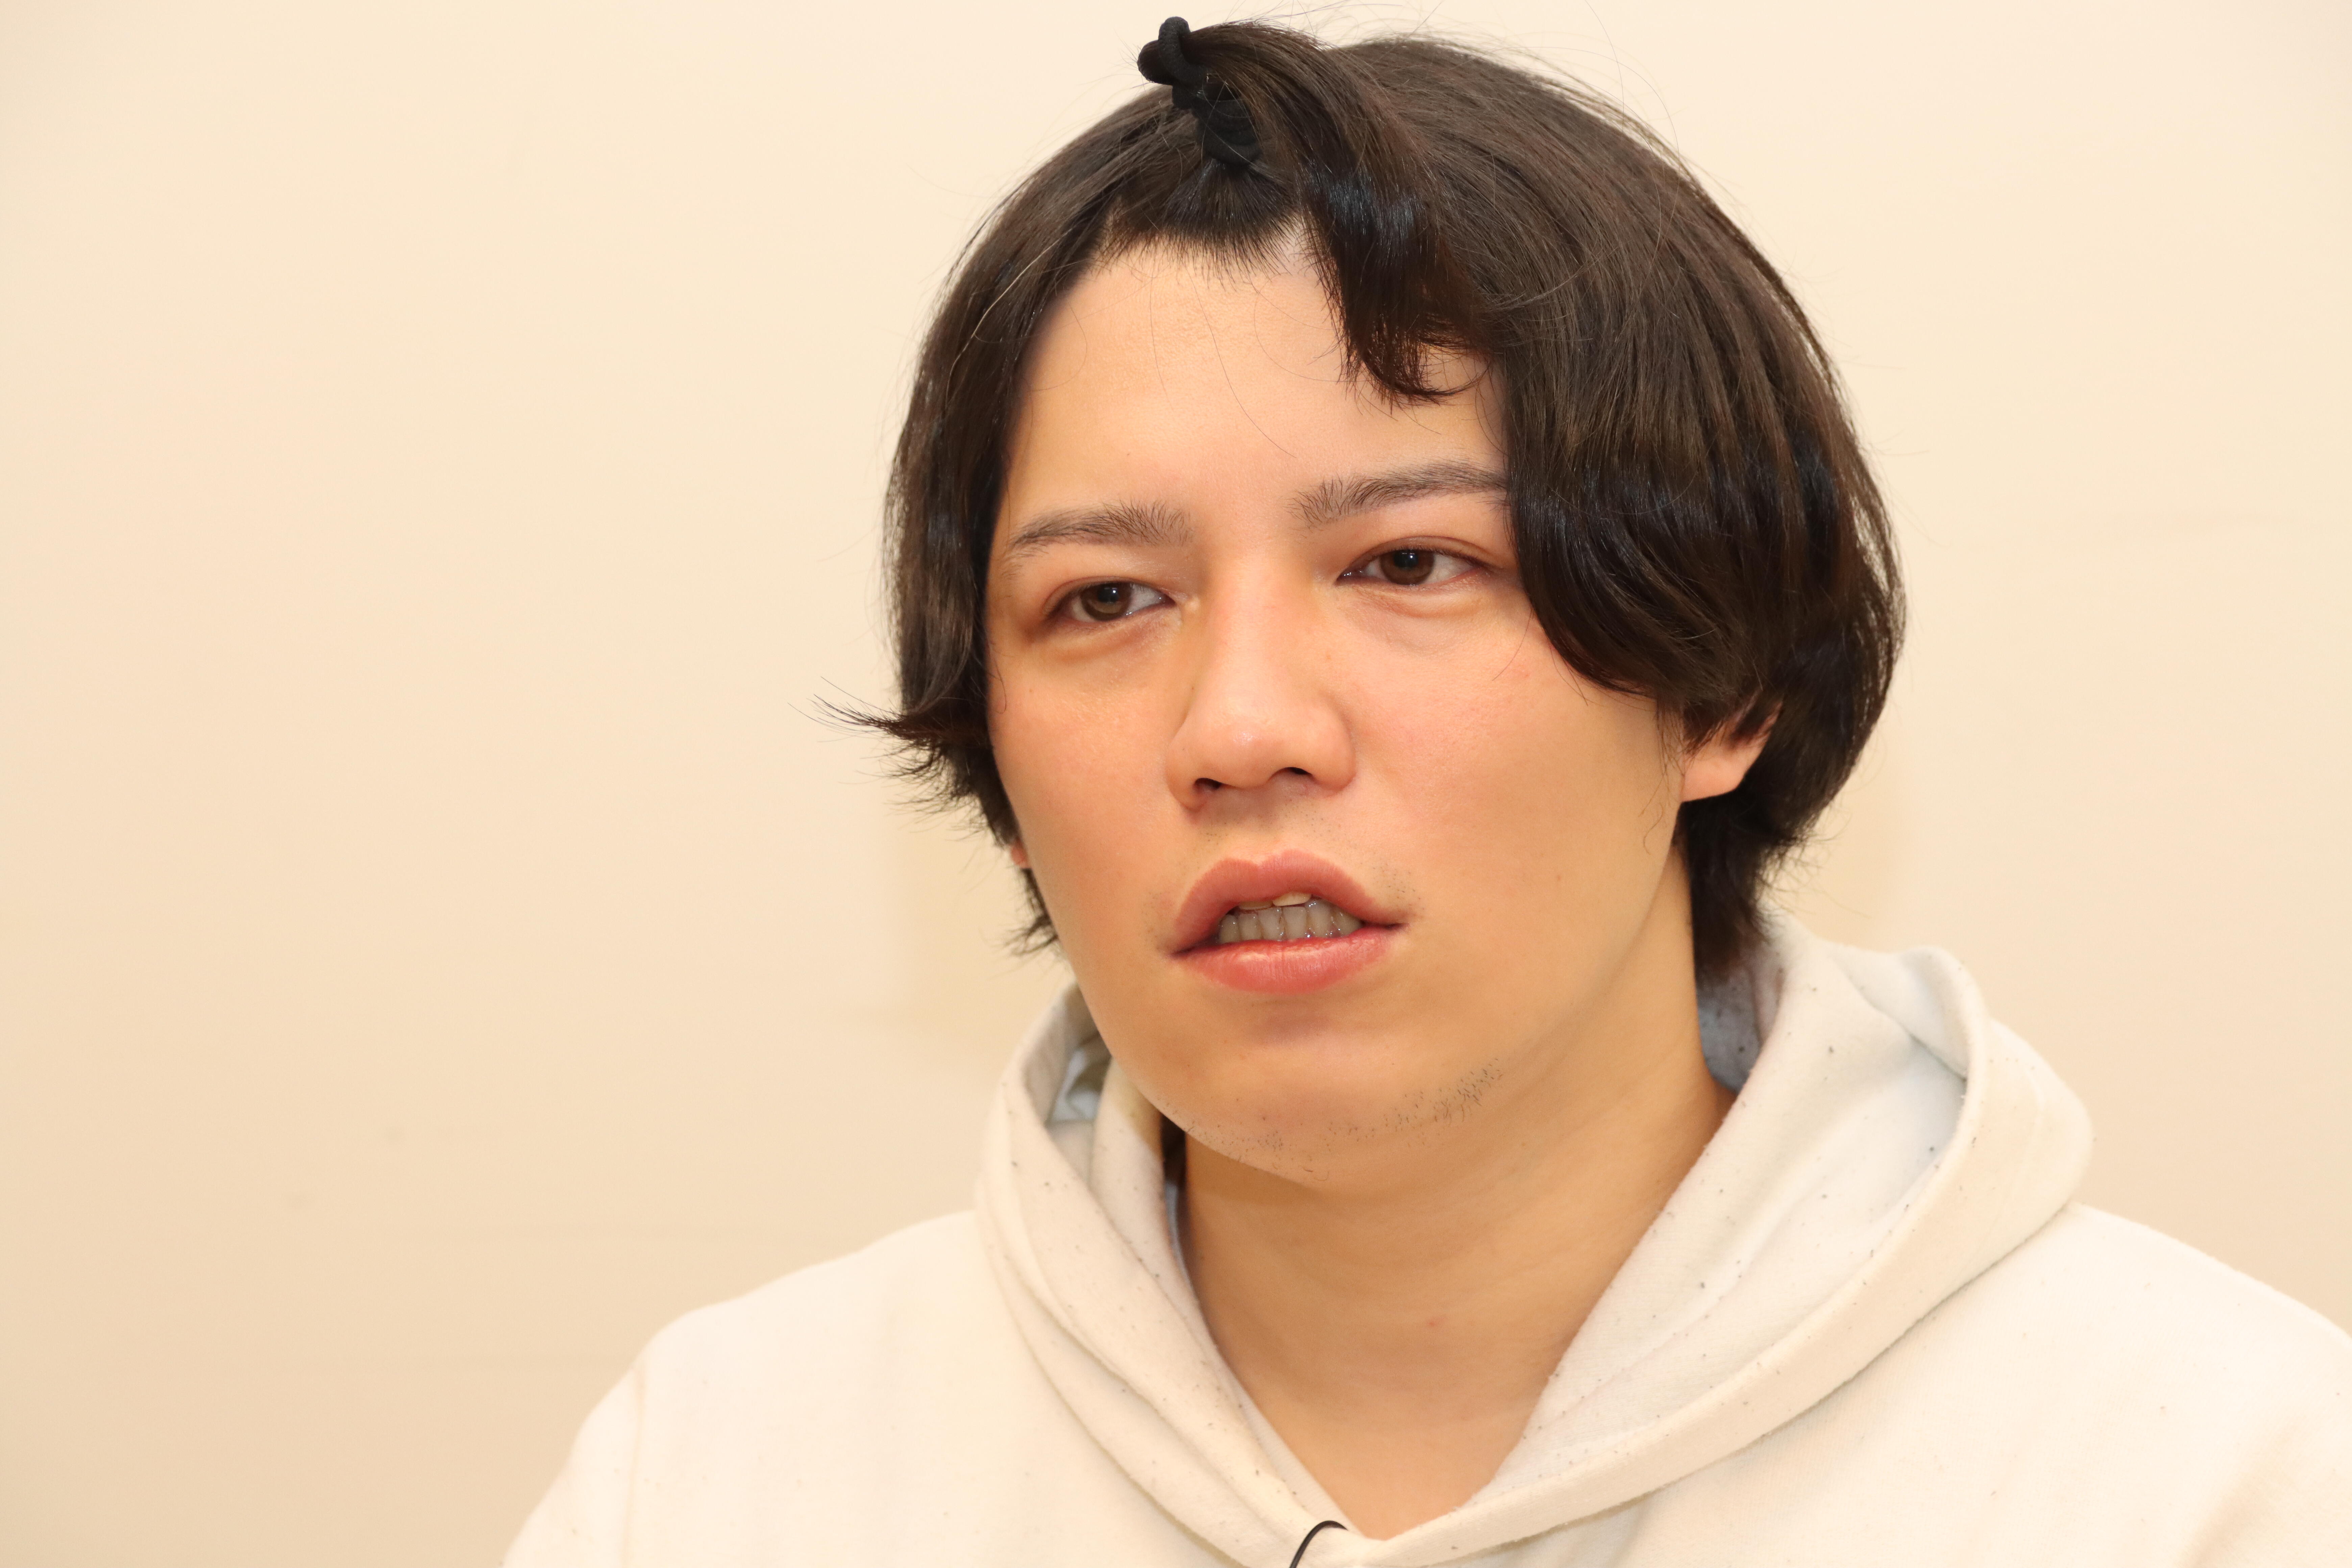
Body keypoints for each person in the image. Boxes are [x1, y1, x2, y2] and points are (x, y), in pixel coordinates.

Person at [505, 19, 2351, 1566]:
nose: (1240, 728)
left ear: (1721, 683)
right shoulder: (721, 1479)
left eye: (1410, 564)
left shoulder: (2217, 1482)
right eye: (1108, 601)